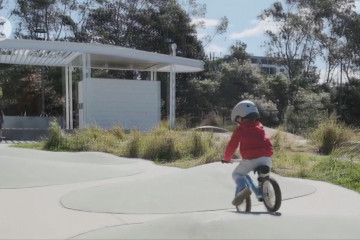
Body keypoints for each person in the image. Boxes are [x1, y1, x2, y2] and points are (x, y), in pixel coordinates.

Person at [222, 100, 273, 206]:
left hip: (251, 159)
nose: (238, 122)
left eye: (237, 119)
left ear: (241, 116)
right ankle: (265, 190)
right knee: (264, 175)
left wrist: (227, 158)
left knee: (237, 174)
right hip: (267, 158)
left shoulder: (240, 130)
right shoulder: (260, 126)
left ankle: (243, 189)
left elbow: (232, 146)